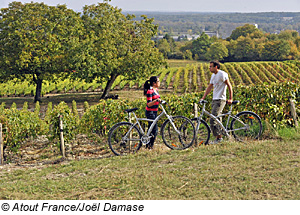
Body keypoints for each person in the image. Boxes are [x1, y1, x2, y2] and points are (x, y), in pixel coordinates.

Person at [200, 60, 233, 144]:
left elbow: (229, 85)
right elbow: (209, 87)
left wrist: (230, 98)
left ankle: (219, 139)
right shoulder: (213, 76)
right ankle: (220, 137)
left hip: (221, 99)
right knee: (217, 118)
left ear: (216, 67)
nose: (209, 68)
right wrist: (203, 97)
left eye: (211, 66)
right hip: (215, 99)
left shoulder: (222, 74)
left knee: (213, 118)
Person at [143, 76, 161, 149]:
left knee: (152, 129)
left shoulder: (156, 90)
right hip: (150, 112)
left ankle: (149, 145)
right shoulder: (150, 91)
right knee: (154, 130)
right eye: (158, 81)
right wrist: (156, 100)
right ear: (154, 83)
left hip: (155, 112)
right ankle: (149, 146)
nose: (159, 82)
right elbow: (149, 104)